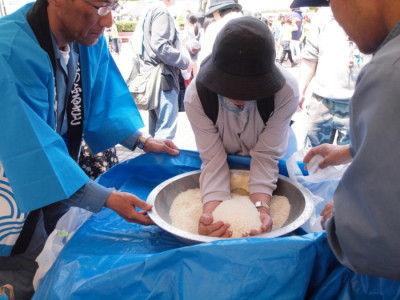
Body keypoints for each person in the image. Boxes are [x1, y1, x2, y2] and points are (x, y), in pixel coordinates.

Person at [0, 0, 179, 297]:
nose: (108, 22)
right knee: (20, 265)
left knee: (49, 251)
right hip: (13, 175)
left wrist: (142, 140)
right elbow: (27, 142)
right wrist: (106, 198)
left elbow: (102, 96)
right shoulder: (8, 50)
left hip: (57, 167)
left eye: (113, 5)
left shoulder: (86, 36)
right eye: (99, 6)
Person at [292, 0, 400, 281]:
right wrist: (351, 150)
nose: (335, 17)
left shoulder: (390, 69)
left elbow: (382, 242)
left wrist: (342, 223)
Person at [184, 17, 299, 238]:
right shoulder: (197, 97)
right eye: (230, 87)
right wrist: (212, 215)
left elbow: (266, 156)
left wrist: (261, 208)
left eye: (251, 89)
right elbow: (213, 159)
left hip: (274, 151)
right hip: (224, 155)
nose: (239, 95)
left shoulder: (286, 91)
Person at [298, 7, 369, 147]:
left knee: (349, 163)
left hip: (359, 104)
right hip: (321, 102)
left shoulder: (374, 13)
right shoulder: (323, 15)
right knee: (312, 159)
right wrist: (300, 91)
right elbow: (310, 57)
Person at [135, 0, 193, 140]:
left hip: (151, 76)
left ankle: (154, 161)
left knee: (156, 130)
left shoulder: (149, 10)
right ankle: (160, 161)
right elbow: (161, 46)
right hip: (163, 78)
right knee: (165, 131)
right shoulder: (161, 11)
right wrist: (186, 62)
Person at [197, 0, 243, 68]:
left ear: (216, 11)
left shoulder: (214, 28)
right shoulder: (252, 24)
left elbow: (204, 60)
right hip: (252, 74)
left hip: (223, 74)